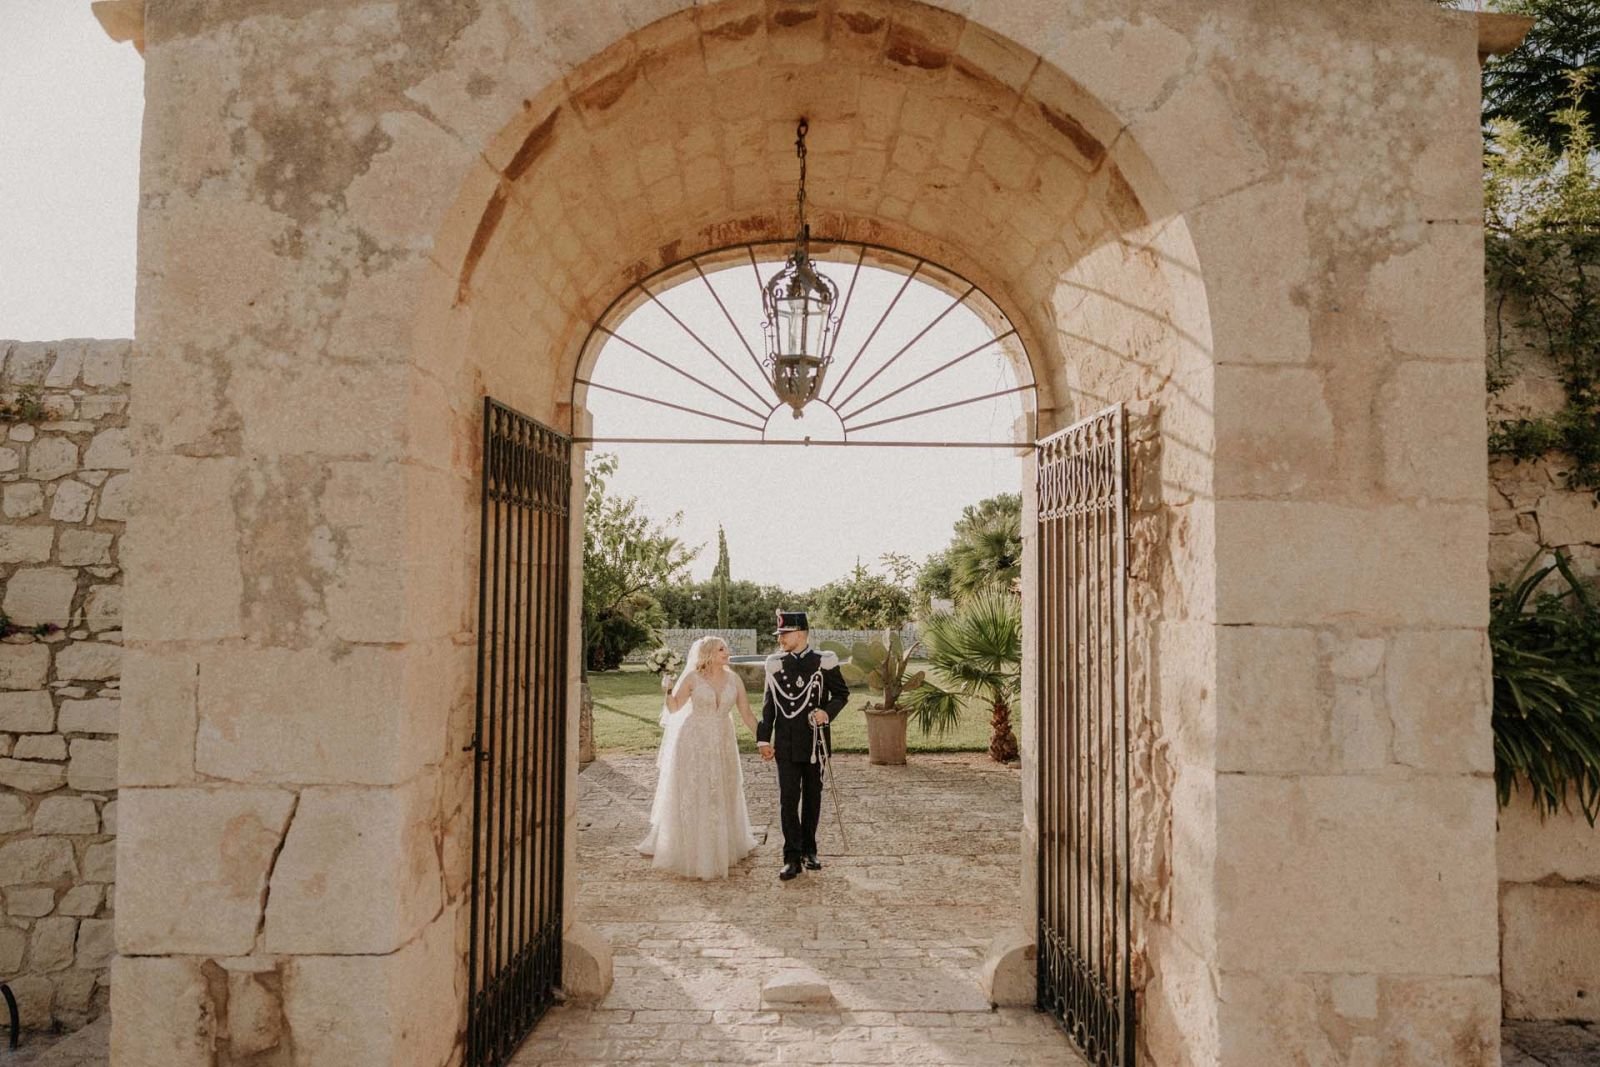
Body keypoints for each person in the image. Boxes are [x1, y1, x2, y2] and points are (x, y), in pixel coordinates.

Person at [638, 636, 762, 880]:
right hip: (693, 741)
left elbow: (747, 713)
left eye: (726, 648)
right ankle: (693, 848)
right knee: (696, 790)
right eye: (722, 649)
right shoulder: (693, 677)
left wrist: (763, 740)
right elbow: (674, 708)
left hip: (723, 741)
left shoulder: (734, 679)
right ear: (708, 653)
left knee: (723, 788)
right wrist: (667, 689)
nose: (727, 652)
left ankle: (721, 844)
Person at [758, 610, 850, 881]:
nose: (780, 639)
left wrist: (826, 712)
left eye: (784, 634)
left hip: (814, 743)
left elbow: (841, 694)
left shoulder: (823, 662)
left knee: (812, 798)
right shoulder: (775, 664)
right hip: (786, 743)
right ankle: (791, 856)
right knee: (788, 800)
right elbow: (769, 706)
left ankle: (810, 850)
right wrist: (763, 739)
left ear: (800, 633)